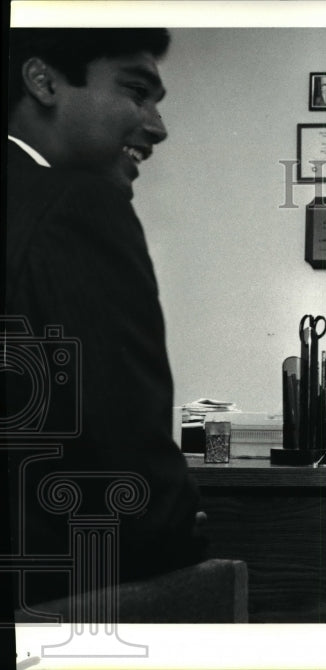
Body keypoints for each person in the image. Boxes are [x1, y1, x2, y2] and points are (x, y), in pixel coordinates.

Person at [5, 28, 207, 608]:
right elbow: (126, 463)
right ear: (43, 81)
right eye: (137, 91)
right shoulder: (78, 206)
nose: (157, 126)